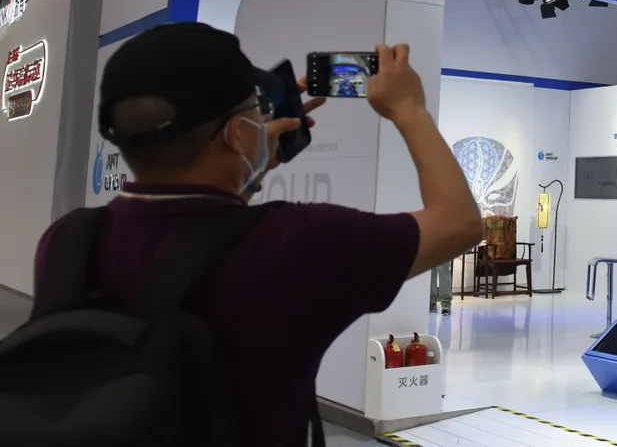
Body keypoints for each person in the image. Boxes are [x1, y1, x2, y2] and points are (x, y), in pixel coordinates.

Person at [31, 24, 484, 447]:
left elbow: (200, 231)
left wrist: (245, 167)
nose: (262, 118)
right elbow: (459, 223)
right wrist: (410, 110)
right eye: (254, 111)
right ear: (234, 135)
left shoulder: (67, 241)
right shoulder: (299, 244)